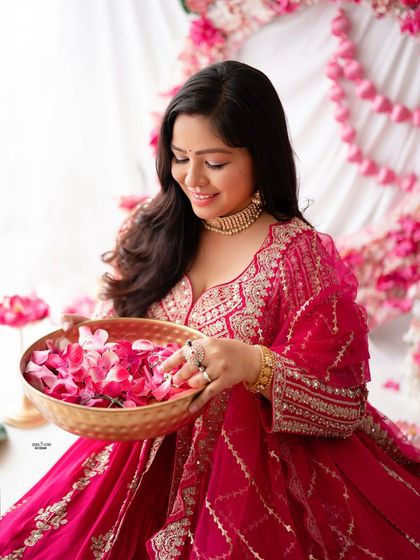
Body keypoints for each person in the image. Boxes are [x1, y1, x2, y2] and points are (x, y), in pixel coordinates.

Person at [0, 60, 419, 560]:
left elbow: (342, 404)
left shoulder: (296, 254)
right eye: (180, 157)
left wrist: (252, 364)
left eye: (214, 163)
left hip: (260, 469)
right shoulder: (159, 224)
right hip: (142, 448)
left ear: (260, 157)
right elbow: (131, 325)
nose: (192, 179)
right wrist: (93, 332)